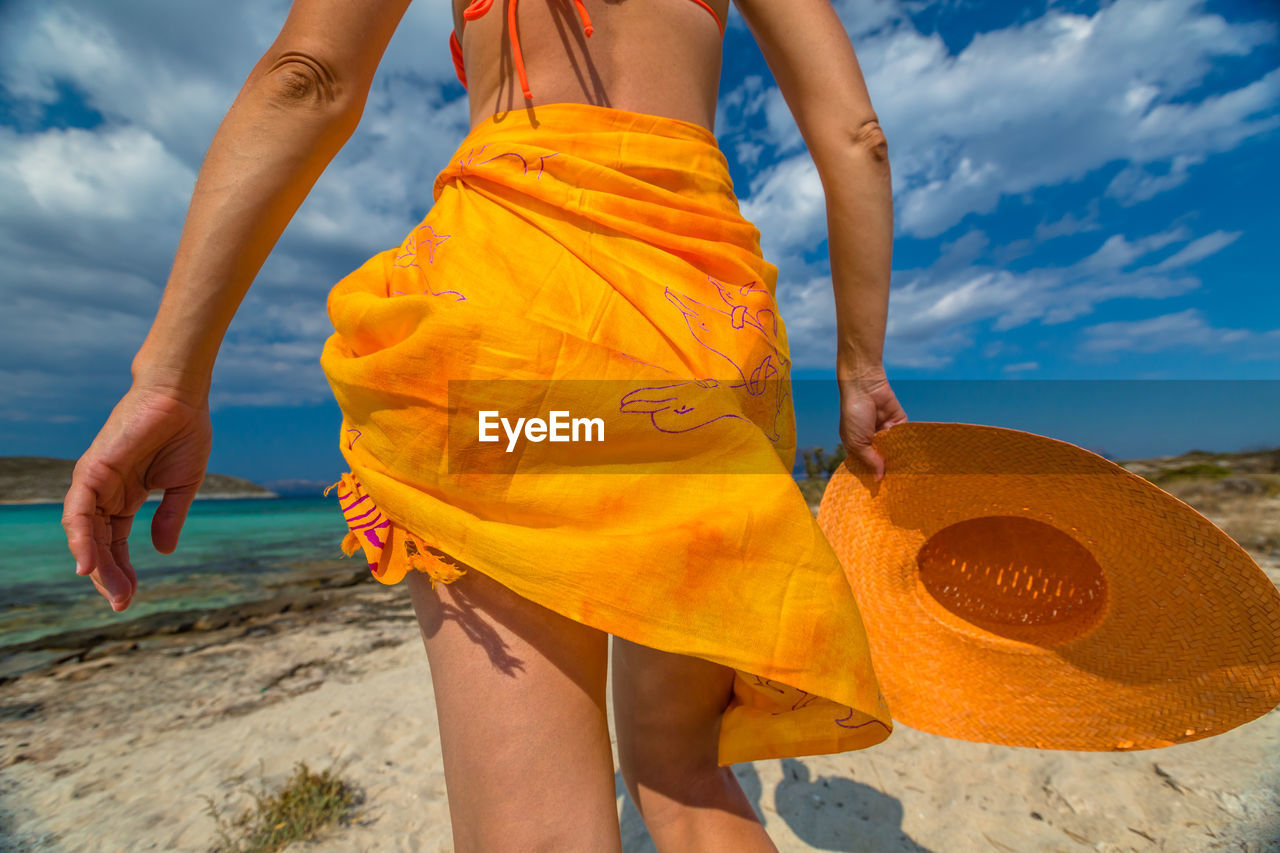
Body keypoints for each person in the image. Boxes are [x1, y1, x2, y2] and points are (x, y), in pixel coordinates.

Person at [62, 0, 905, 850]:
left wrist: (169, 376)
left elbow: (309, 79)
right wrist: (860, 368)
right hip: (709, 335)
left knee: (535, 828)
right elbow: (857, 137)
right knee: (683, 772)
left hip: (518, 319)